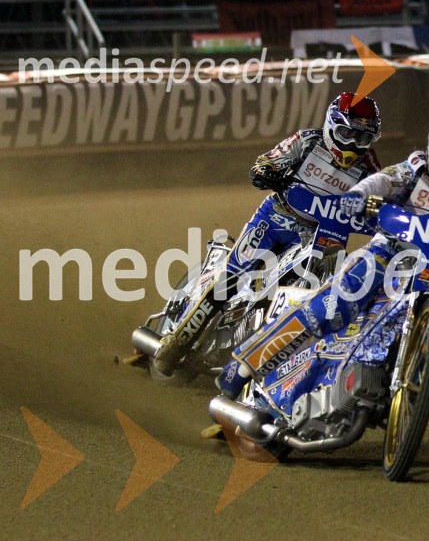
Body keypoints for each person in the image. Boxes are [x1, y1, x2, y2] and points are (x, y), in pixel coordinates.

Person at [215, 106, 429, 398]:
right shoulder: (414, 171)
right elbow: (382, 181)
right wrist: (358, 195)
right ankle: (243, 366)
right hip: (387, 256)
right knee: (331, 306)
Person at [153, 91, 382, 374]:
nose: (352, 145)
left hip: (323, 237)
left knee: (333, 296)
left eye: (361, 138)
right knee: (232, 276)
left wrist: (384, 217)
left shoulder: (370, 167)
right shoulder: (307, 140)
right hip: (276, 218)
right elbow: (267, 161)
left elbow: (381, 201)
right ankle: (178, 340)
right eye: (347, 134)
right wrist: (266, 171)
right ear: (332, 125)